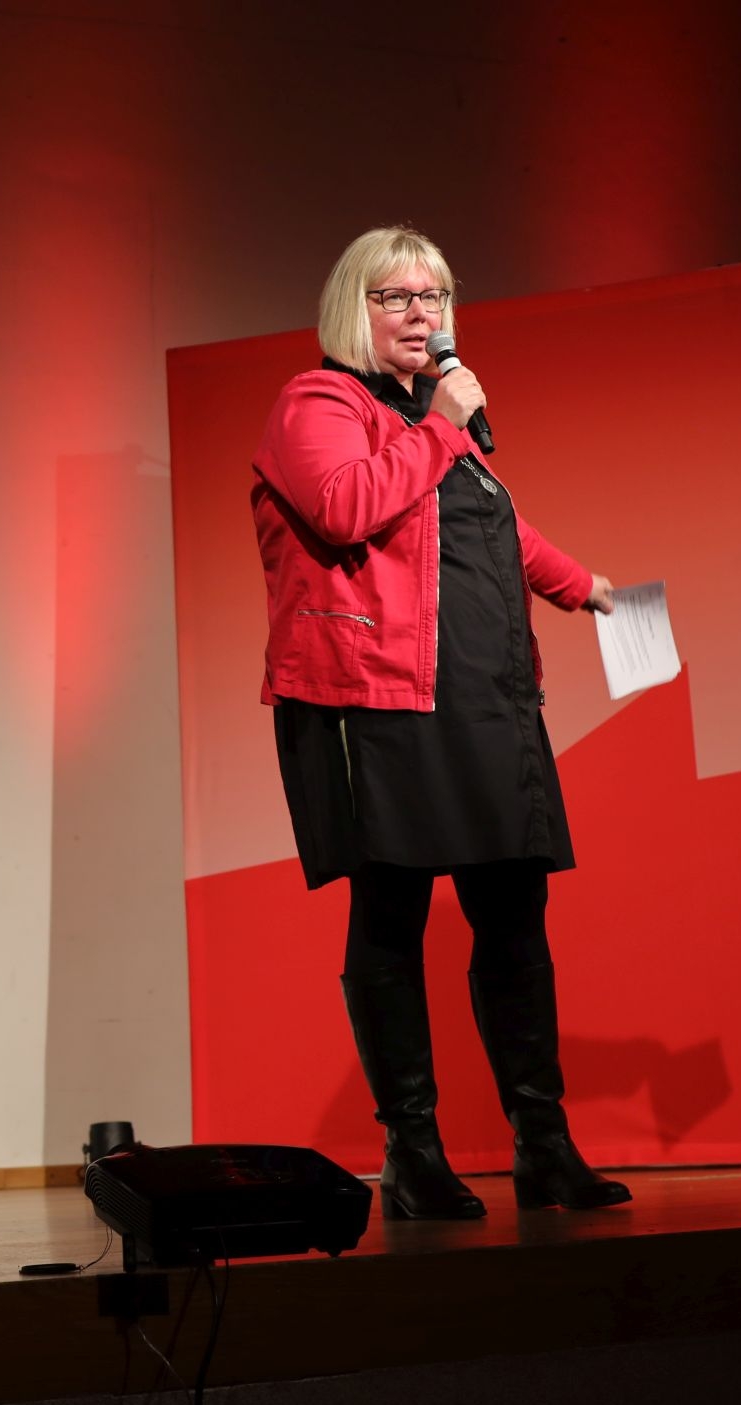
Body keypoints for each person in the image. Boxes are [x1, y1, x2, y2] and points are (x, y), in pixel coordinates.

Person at [250, 226, 632, 1220]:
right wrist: (444, 428)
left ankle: (544, 1145)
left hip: (485, 696)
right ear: (354, 307)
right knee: (393, 915)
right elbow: (345, 506)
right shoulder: (319, 403)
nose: (423, 314)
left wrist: (583, 586)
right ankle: (413, 1154)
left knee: (513, 915)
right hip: (380, 699)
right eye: (398, 296)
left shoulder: (435, 420)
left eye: (436, 296)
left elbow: (490, 526)